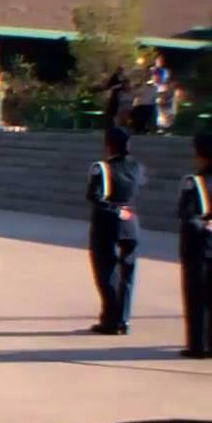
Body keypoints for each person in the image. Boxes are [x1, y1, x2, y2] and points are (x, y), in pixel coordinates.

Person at [87, 126, 146, 336]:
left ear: (108, 145)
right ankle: (123, 319)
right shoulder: (137, 167)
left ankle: (110, 319)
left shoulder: (102, 168)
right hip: (131, 222)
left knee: (107, 271)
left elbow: (95, 197)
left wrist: (115, 210)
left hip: (107, 223)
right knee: (127, 273)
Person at [177, 134, 212, 359]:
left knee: (196, 296)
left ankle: (198, 345)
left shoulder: (195, 182)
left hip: (199, 247)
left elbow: (187, 216)